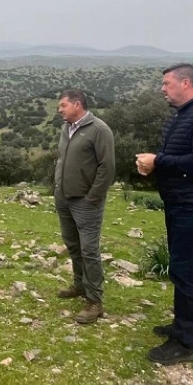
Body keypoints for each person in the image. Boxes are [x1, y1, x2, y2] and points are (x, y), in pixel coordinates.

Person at [136, 63, 193, 365]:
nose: (162, 89)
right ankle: (184, 325)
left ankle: (185, 342)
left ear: (185, 83)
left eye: (166, 83)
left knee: (184, 270)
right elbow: (181, 158)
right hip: (182, 203)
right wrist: (154, 166)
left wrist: (158, 161)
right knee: (188, 268)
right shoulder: (184, 114)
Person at [53, 89, 115, 324]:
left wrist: (93, 197)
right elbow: (61, 158)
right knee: (72, 244)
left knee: (89, 250)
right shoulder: (66, 128)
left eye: (63, 105)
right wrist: (57, 186)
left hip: (86, 202)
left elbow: (107, 167)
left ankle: (95, 301)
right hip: (64, 197)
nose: (60, 110)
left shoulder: (99, 130)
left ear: (77, 105)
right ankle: (79, 285)